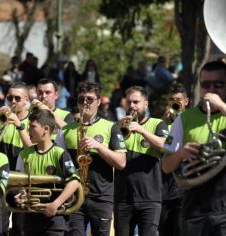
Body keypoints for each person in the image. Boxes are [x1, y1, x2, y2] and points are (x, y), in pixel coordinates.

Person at [162, 60, 226, 236]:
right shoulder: (184, 119)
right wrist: (181, 154)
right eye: (206, 85)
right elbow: (166, 166)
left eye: (218, 84)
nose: (211, 90)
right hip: (194, 210)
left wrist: (223, 107)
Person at [58, 82, 127, 236]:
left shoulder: (111, 126)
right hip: (74, 196)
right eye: (81, 99)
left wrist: (99, 147)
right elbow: (58, 162)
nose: (85, 103)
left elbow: (121, 162)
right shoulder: (65, 130)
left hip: (101, 197)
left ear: (98, 101)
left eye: (89, 99)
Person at [12, 109, 80, 236]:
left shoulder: (60, 153)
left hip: (55, 221)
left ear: (46, 129)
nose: (28, 131)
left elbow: (74, 182)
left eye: (32, 127)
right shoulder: (24, 154)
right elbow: (20, 184)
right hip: (31, 221)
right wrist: (21, 195)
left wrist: (55, 204)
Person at [114, 86, 167, 236]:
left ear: (146, 104)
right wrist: (118, 128)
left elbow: (166, 145)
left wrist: (142, 130)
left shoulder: (157, 124)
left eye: (136, 102)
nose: (132, 106)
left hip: (149, 199)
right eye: (129, 102)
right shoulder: (117, 127)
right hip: (123, 198)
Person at [0, 82, 32, 236]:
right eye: (9, 97)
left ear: (26, 99)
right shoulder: (2, 119)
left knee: (20, 229)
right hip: (2, 181)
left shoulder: (33, 121)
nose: (12, 102)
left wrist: (19, 126)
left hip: (23, 183)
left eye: (17, 98)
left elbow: (32, 150)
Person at [159, 84, 189, 236]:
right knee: (164, 230)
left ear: (186, 102)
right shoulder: (161, 123)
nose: (175, 102)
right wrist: (164, 118)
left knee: (179, 229)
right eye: (171, 100)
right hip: (163, 188)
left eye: (178, 99)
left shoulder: (190, 122)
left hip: (183, 187)